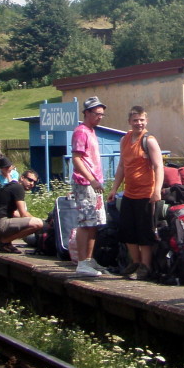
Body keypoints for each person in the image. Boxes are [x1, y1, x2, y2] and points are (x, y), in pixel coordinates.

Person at [108, 106, 163, 281]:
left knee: (144, 232)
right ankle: (135, 262)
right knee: (127, 230)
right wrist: (114, 188)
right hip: (129, 193)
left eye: (141, 120)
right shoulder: (124, 140)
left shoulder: (149, 141)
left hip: (146, 193)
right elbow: (122, 166)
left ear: (146, 121)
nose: (139, 123)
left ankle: (145, 266)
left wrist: (157, 190)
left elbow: (158, 166)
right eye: (135, 120)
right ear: (129, 122)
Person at [71, 96, 109, 277]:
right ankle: (81, 263)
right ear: (86, 113)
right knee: (85, 223)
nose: (100, 117)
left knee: (94, 223)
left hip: (95, 184)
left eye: (102, 114)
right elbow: (76, 159)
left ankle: (88, 258)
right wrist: (91, 179)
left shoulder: (92, 131)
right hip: (85, 183)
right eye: (96, 113)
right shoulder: (81, 132)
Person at [0, 169, 44, 253]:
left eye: (34, 182)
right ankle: (3, 242)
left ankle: (5, 242)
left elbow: (14, 213)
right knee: (38, 224)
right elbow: (23, 214)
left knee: (31, 221)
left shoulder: (11, 186)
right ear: (22, 178)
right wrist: (42, 223)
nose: (32, 183)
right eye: (30, 180)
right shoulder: (18, 188)